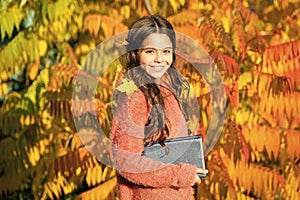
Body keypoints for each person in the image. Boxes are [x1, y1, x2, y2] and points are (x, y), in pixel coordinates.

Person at [110, 14, 208, 200]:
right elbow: (126, 161)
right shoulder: (137, 97)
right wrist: (181, 175)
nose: (159, 59)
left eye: (166, 51)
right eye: (150, 52)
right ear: (135, 54)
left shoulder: (169, 91)